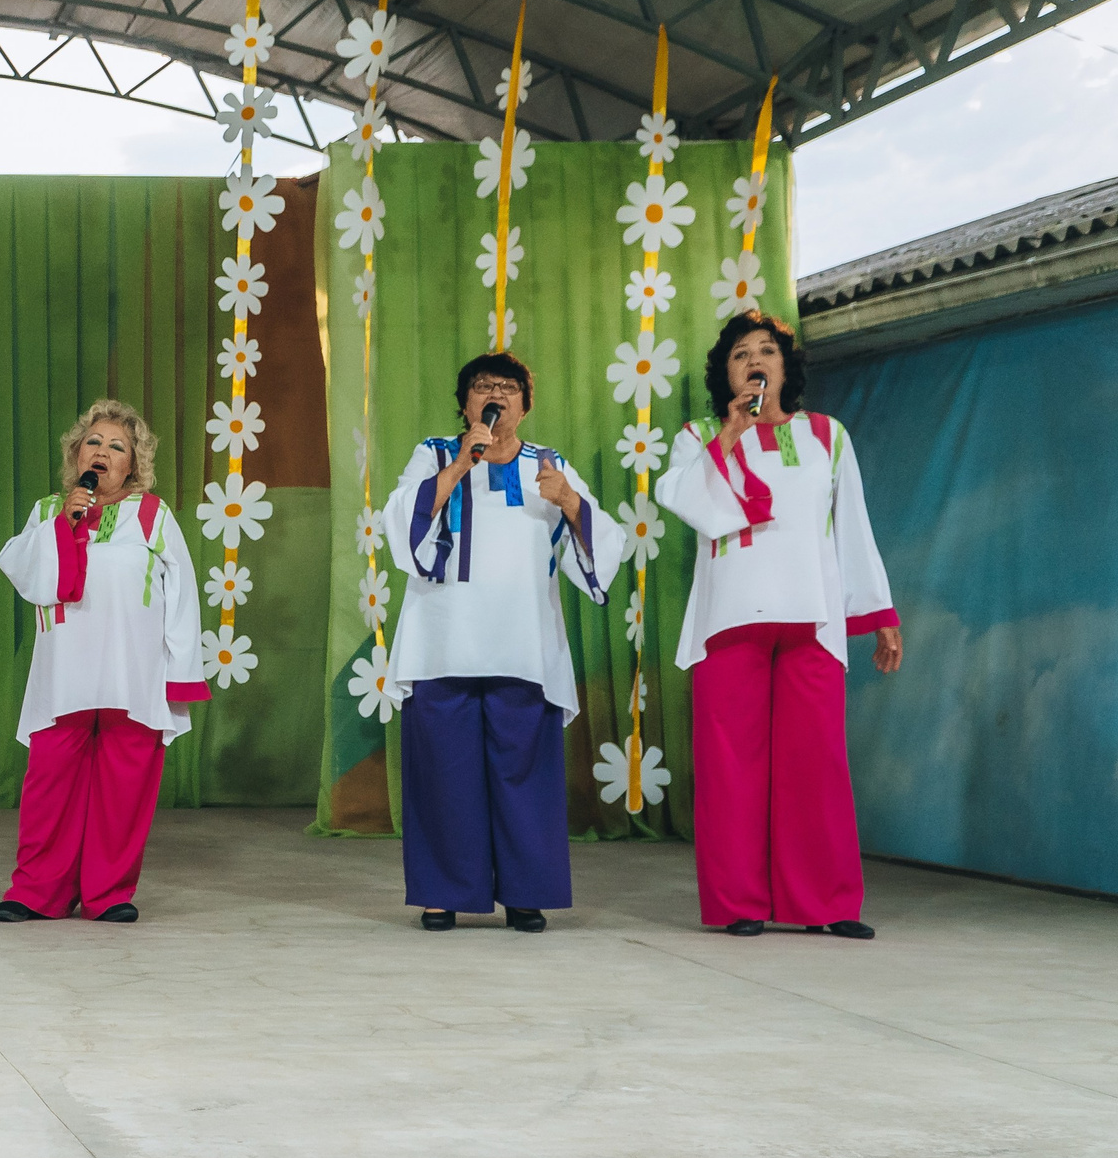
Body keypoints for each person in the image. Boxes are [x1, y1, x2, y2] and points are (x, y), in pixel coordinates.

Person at [653, 311, 900, 939]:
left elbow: (853, 526)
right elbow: (681, 497)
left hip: (812, 617)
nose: (755, 360)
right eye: (741, 354)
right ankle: (738, 903)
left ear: (786, 368)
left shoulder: (828, 435)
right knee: (729, 767)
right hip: (729, 616)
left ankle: (827, 905)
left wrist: (878, 613)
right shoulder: (698, 434)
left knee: (816, 764)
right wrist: (731, 435)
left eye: (767, 351)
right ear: (726, 373)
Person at [383, 353, 617, 933]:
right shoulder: (437, 453)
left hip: (523, 643)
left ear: (526, 405)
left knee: (524, 774)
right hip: (443, 639)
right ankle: (442, 893)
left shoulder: (549, 464)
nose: (497, 395)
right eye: (484, 387)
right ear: (465, 404)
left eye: (509, 388)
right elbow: (400, 520)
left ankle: (525, 892)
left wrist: (567, 499)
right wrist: (463, 462)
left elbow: (602, 543)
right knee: (443, 771)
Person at [0, 399, 206, 924]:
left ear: (133, 464)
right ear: (75, 453)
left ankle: (109, 893)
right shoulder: (48, 511)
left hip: (133, 674)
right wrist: (63, 522)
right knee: (49, 784)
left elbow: (182, 598)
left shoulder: (153, 515)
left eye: (117, 446)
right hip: (64, 672)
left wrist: (180, 675)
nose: (103, 451)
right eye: (94, 442)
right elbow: (22, 572)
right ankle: (37, 891)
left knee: (124, 788)